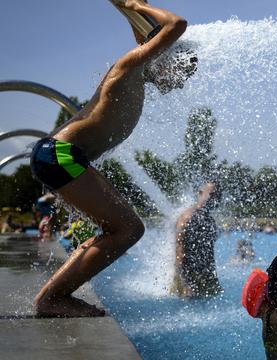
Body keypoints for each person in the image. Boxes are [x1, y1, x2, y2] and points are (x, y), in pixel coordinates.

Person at [30, 0, 196, 317]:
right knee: (128, 229)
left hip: (63, 156)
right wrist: (132, 4)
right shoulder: (130, 65)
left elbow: (147, 36)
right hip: (59, 154)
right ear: (161, 57)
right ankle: (52, 298)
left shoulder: (140, 71)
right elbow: (175, 25)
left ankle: (55, 294)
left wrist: (138, 10)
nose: (181, 80)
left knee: (118, 228)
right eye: (182, 69)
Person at [173, 182, 221, 297]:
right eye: (212, 194)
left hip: (204, 278)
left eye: (218, 196)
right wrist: (185, 284)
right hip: (187, 279)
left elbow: (209, 254)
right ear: (200, 194)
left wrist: (214, 279)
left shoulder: (209, 221)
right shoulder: (187, 218)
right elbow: (179, 251)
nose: (215, 198)